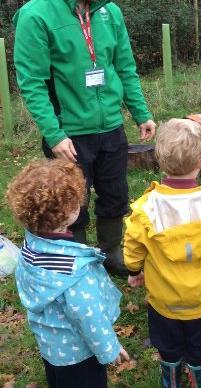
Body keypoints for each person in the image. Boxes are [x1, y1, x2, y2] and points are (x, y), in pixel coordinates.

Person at [13, 0, 156, 277]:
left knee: (115, 195)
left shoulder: (110, 13)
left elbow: (125, 67)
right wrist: (54, 134)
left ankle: (111, 253)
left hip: (111, 127)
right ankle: (74, 260)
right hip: (69, 135)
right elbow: (32, 83)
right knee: (70, 201)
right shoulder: (36, 16)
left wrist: (140, 112)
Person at [123, 119, 201, 388]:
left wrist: (134, 271)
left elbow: (133, 246)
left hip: (162, 298)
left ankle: (171, 379)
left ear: (160, 160)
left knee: (167, 344)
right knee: (200, 345)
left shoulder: (146, 207)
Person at [6, 159, 128, 388]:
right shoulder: (74, 272)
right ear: (68, 212)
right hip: (79, 354)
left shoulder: (30, 247)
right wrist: (110, 349)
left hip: (51, 346)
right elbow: (88, 316)